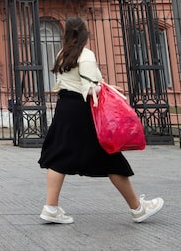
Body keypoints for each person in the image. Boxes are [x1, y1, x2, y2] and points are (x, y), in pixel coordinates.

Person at [37, 17, 164, 224]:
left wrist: (107, 86)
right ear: (85, 33)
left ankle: (51, 207)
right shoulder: (85, 55)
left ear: (67, 34)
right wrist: (108, 90)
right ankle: (138, 209)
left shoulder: (62, 54)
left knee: (58, 155)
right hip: (83, 110)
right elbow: (89, 89)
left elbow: (73, 82)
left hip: (65, 107)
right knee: (111, 158)